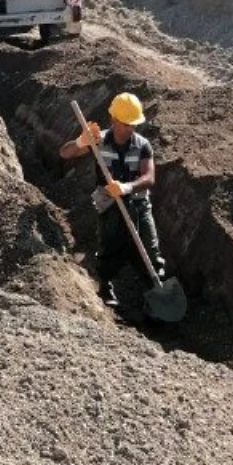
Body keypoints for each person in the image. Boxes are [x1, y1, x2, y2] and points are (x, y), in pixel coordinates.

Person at [59, 92, 166, 308]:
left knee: (150, 249)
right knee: (109, 246)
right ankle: (105, 286)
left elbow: (149, 177)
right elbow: (65, 154)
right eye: (126, 124)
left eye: (133, 124)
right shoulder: (98, 141)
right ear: (114, 120)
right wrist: (81, 141)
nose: (130, 128)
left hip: (138, 204)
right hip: (108, 204)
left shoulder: (142, 145)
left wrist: (127, 187)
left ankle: (155, 293)